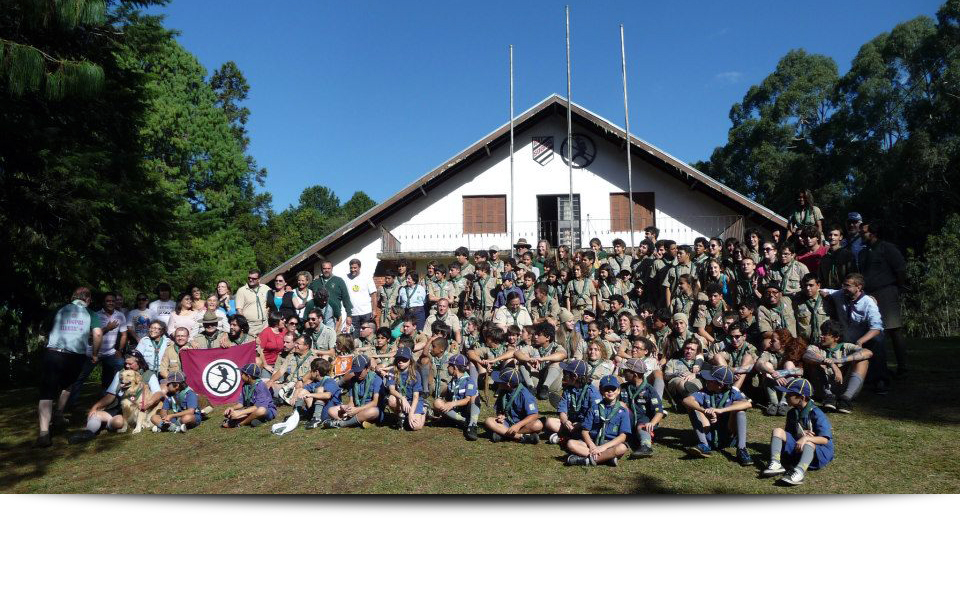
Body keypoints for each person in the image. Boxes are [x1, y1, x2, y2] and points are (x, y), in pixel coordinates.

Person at [36, 287, 104, 447]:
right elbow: (98, 334)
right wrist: (95, 353)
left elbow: (45, 328)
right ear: (87, 299)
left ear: (73, 297)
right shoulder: (91, 314)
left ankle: (44, 433)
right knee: (68, 385)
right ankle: (59, 413)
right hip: (76, 356)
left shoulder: (60, 309)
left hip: (54, 353)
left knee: (46, 393)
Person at [69, 351, 163, 443]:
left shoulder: (149, 374)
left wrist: (147, 403)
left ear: (139, 362)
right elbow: (110, 395)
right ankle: (87, 433)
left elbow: (158, 393)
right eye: (126, 364)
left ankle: (105, 424)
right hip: (119, 407)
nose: (127, 366)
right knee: (96, 414)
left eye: (130, 364)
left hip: (140, 409)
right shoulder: (120, 374)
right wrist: (95, 407)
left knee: (118, 422)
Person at [820, 273, 887, 393]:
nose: (844, 288)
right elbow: (821, 290)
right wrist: (824, 294)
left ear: (859, 287)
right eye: (843, 285)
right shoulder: (839, 294)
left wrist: (861, 341)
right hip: (847, 337)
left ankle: (880, 380)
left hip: (864, 337)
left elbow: (877, 328)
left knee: (878, 340)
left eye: (848, 286)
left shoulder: (868, 303)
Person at [761, 378, 834, 486]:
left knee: (809, 443)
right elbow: (789, 435)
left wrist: (806, 438)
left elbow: (824, 440)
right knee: (777, 431)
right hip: (799, 447)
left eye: (789, 394)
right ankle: (776, 463)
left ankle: (799, 472)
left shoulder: (817, 413)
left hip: (818, 452)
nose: (785, 396)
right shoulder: (792, 412)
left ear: (802, 397)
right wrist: (800, 435)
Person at [858, 220, 908, 376]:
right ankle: (880, 369)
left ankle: (902, 367)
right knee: (874, 331)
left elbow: (900, 269)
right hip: (870, 295)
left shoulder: (888, 248)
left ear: (873, 233)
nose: (860, 234)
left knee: (894, 330)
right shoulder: (864, 252)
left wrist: (899, 287)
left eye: (863, 231)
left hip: (887, 291)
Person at [65, 291, 126, 412]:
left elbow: (124, 334)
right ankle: (71, 404)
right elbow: (90, 336)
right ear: (103, 303)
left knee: (120, 371)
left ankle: (112, 401)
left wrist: (119, 350)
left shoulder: (120, 316)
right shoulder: (95, 315)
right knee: (80, 377)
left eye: (113, 301)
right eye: (108, 301)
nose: (111, 303)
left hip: (110, 353)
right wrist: (107, 328)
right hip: (92, 353)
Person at [682, 366, 753, 465]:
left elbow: (748, 404)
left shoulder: (732, 393)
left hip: (728, 433)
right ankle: (704, 444)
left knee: (740, 411)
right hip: (709, 431)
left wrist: (721, 410)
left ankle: (741, 449)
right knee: (692, 408)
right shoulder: (705, 391)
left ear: (720, 384)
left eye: (711, 380)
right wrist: (703, 410)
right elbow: (686, 400)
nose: (707, 381)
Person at [802, 320, 871, 413]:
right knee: (815, 361)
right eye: (821, 333)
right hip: (822, 389)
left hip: (843, 387)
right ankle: (829, 397)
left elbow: (868, 352)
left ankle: (845, 399)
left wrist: (839, 360)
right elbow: (807, 355)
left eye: (825, 334)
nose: (821, 336)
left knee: (863, 361)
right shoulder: (815, 347)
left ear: (836, 337)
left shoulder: (846, 347)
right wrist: (831, 364)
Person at [563, 375, 632, 466]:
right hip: (593, 442)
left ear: (618, 390)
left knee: (622, 448)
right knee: (571, 444)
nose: (610, 391)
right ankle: (606, 458)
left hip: (610, 444)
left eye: (613, 389)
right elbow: (585, 431)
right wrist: (592, 446)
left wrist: (603, 448)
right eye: (606, 389)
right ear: (601, 391)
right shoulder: (594, 408)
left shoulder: (623, 411)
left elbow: (623, 437)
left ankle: (586, 460)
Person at [544, 360, 601, 445]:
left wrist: (580, 424)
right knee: (549, 422)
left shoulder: (592, 393)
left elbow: (596, 418)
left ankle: (570, 438)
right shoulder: (568, 389)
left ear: (574, 376)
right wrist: (565, 421)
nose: (563, 375)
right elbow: (562, 410)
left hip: (586, 426)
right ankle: (572, 437)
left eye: (566, 373)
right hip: (571, 424)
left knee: (588, 431)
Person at [320, 355, 382, 429]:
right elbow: (351, 402)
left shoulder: (376, 379)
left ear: (367, 369)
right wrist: (347, 408)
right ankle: (356, 421)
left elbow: (375, 403)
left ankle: (342, 423)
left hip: (369, 409)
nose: (357, 374)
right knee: (331, 410)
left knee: (373, 411)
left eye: (359, 371)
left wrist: (358, 410)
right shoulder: (353, 380)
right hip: (356, 408)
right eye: (355, 372)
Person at [754, 329, 806, 416]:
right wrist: (773, 372)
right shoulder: (768, 353)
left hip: (788, 387)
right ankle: (773, 403)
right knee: (767, 365)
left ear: (783, 343)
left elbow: (801, 371)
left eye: (773, 340)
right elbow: (758, 364)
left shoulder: (792, 353)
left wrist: (782, 373)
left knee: (789, 364)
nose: (770, 342)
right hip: (772, 386)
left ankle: (784, 402)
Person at [619, 358, 664, 459]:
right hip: (627, 420)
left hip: (643, 420)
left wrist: (652, 423)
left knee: (642, 427)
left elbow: (659, 411)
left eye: (626, 371)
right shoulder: (623, 387)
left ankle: (646, 446)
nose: (623, 373)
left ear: (634, 374)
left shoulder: (649, 390)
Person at [513, 322, 566, 405]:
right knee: (522, 362)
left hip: (552, 384)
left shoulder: (556, 347)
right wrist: (529, 360)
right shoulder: (533, 347)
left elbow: (562, 354)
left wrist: (542, 359)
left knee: (557, 363)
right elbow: (517, 353)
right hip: (537, 381)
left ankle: (545, 388)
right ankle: (531, 388)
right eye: (535, 334)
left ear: (547, 337)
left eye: (538, 335)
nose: (535, 337)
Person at [484, 367, 542, 444]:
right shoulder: (503, 391)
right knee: (489, 421)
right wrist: (501, 415)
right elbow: (500, 409)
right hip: (507, 422)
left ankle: (502, 434)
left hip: (522, 425)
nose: (498, 382)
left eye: (500, 381)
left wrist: (517, 425)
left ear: (508, 384)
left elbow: (534, 415)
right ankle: (521, 437)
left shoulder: (525, 395)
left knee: (538, 425)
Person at [433, 354, 480, 440]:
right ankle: (462, 421)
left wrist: (452, 404)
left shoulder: (469, 381)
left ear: (455, 367)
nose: (447, 368)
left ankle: (472, 425)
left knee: (474, 396)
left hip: (466, 411)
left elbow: (467, 399)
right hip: (455, 411)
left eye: (449, 366)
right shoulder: (453, 381)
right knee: (437, 402)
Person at [380, 347, 425, 431]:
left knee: (416, 426)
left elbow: (416, 396)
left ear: (410, 360)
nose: (400, 362)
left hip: (414, 400)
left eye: (404, 359)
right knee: (391, 399)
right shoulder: (392, 371)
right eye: (398, 359)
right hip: (401, 398)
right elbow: (392, 390)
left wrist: (411, 413)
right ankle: (401, 416)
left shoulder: (416, 374)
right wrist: (402, 398)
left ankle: (424, 410)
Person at [223, 363, 278, 428]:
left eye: (242, 374)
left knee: (261, 410)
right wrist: (232, 408)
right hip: (251, 409)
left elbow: (258, 407)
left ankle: (240, 423)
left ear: (248, 376)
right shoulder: (245, 385)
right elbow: (241, 403)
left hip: (267, 410)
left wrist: (239, 413)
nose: (241, 375)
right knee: (231, 415)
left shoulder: (260, 386)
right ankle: (255, 420)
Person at [309, 260, 353, 333]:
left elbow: (346, 298)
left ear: (332, 268)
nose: (326, 270)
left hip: (335, 316)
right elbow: (305, 292)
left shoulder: (339, 281)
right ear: (321, 269)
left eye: (328, 268)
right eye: (324, 268)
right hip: (318, 317)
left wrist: (349, 315)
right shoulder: (316, 282)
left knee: (333, 339)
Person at [664, 338, 704, 409]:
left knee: (697, 383)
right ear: (683, 349)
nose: (689, 351)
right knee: (682, 383)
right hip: (677, 381)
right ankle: (694, 403)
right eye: (687, 348)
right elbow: (666, 376)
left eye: (692, 349)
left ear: (697, 352)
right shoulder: (673, 361)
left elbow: (708, 373)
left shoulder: (700, 363)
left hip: (694, 381)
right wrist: (676, 374)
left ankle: (688, 403)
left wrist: (695, 374)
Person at [345, 258, 378, 337]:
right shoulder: (345, 278)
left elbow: (373, 295)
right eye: (351, 268)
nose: (353, 270)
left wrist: (374, 310)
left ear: (359, 267)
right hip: (353, 313)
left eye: (355, 268)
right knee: (354, 336)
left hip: (366, 312)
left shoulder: (366, 277)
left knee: (367, 336)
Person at [818, 224, 855, 290]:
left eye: (835, 235)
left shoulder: (847, 255)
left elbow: (853, 275)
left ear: (840, 237)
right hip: (828, 292)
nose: (832, 237)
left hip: (844, 291)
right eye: (830, 235)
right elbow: (821, 278)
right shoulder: (824, 258)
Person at [795, 274, 830, 345]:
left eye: (811, 285)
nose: (808, 288)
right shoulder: (796, 301)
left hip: (824, 341)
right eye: (805, 285)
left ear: (818, 285)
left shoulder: (827, 300)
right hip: (805, 343)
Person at [235, 269, 271, 336]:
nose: (251, 280)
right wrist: (244, 325)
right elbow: (239, 310)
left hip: (265, 324)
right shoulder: (242, 291)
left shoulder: (266, 288)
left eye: (254, 278)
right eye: (249, 278)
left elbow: (271, 303)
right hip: (250, 326)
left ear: (259, 279)